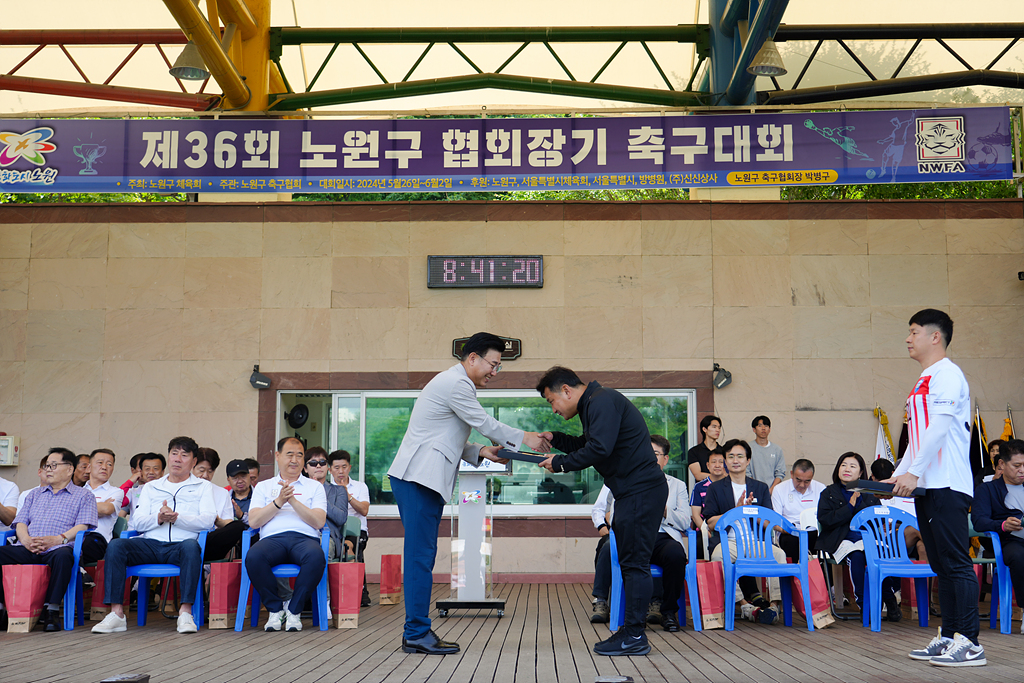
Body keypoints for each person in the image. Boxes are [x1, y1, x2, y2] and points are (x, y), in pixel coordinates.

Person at [388, 332, 550, 655]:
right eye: (493, 364)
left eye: (498, 367)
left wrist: (480, 452)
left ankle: (416, 631)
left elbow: (445, 436)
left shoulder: (453, 384)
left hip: (421, 479)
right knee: (420, 557)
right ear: (472, 358)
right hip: (418, 479)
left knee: (422, 556)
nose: (494, 371)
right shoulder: (457, 384)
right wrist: (526, 437)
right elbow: (483, 421)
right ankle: (416, 632)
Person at [536, 366, 665, 656]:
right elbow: (588, 444)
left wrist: (559, 463)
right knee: (631, 563)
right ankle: (631, 633)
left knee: (635, 565)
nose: (554, 409)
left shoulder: (602, 400)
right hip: (633, 492)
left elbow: (599, 448)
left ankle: (634, 635)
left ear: (566, 390)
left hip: (640, 491)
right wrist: (555, 438)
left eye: (551, 401)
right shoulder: (595, 402)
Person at [887, 309, 984, 667]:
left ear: (935, 336)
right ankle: (948, 637)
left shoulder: (948, 374)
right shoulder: (923, 379)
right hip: (927, 485)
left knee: (957, 564)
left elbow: (940, 427)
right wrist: (901, 473)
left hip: (947, 484)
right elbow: (917, 437)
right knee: (942, 566)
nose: (908, 339)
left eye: (913, 332)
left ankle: (970, 643)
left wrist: (915, 473)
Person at [92, 436, 214, 635]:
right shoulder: (151, 487)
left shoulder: (203, 487)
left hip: (181, 545)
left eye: (184, 455)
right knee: (117, 545)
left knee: (192, 548)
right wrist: (158, 518)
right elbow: (138, 522)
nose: (177, 459)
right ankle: (116, 614)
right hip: (150, 544)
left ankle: (185, 613)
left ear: (193, 462)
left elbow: (208, 521)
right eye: (174, 453)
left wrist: (177, 518)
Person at [0, 448, 98, 631]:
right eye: (47, 466)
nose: (48, 470)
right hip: (29, 547)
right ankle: (1, 608)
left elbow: (83, 526)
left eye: (54, 466)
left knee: (64, 557)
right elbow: (20, 523)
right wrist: (26, 540)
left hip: (58, 547)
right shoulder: (34, 494)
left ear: (69, 469)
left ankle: (51, 610)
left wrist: (58, 539)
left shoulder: (84, 496)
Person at [246, 437, 328, 632]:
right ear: (277, 456)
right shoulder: (263, 486)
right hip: (272, 540)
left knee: (316, 557)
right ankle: (275, 610)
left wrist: (293, 501)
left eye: (299, 455)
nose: (294, 460)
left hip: (305, 539)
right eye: (289, 454)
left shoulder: (315, 487)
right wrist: (279, 501)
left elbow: (319, 522)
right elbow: (254, 521)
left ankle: (294, 610)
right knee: (254, 557)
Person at [703, 439, 784, 624]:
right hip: (730, 542)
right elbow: (711, 523)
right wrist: (735, 511)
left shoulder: (760, 487)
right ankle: (744, 604)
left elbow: (767, 520)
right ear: (725, 460)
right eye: (730, 456)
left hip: (756, 541)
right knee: (718, 557)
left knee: (780, 555)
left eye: (740, 456)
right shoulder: (716, 488)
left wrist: (754, 514)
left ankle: (774, 606)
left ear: (748, 460)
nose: (735, 460)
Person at [817, 451, 900, 620]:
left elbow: (877, 519)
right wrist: (850, 506)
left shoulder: (870, 492)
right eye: (843, 465)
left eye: (853, 466)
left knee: (876, 556)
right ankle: (864, 604)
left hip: (867, 539)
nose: (847, 469)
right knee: (857, 556)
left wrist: (881, 522)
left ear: (861, 472)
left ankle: (889, 599)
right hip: (840, 539)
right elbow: (826, 520)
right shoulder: (829, 492)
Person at [971, 439, 1024, 635]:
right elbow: (979, 521)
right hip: (1009, 542)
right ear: (1001, 464)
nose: (1022, 470)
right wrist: (1001, 525)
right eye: (1017, 465)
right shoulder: (987, 489)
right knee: (1019, 557)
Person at [646, 434, 689, 632]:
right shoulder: (631, 481)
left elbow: (685, 521)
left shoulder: (678, 485)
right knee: (631, 557)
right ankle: (636, 615)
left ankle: (669, 612)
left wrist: (663, 510)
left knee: (676, 555)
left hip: (665, 536)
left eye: (655, 453)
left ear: (665, 459)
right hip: (639, 535)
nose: (650, 457)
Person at [328, 450, 371, 605]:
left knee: (348, 547)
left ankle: (353, 593)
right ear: (329, 469)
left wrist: (347, 496)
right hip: (334, 531)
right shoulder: (326, 488)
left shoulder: (360, 487)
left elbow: (364, 510)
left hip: (358, 532)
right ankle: (336, 593)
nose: (341, 471)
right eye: (336, 467)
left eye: (344, 467)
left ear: (350, 467)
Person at [870, 458, 927, 562]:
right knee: (918, 529)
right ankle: (945, 548)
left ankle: (925, 578)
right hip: (887, 539)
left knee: (922, 546)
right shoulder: (871, 494)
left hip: (908, 536)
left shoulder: (907, 491)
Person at [196, 447, 245, 563]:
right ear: (192, 467)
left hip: (210, 540)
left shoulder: (222, 493)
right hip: (186, 540)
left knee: (238, 526)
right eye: (201, 470)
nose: (205, 475)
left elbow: (228, 524)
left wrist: (218, 521)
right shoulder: (183, 489)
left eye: (210, 471)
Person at [772, 459, 825, 560]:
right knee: (791, 542)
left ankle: (821, 574)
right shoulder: (779, 489)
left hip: (813, 531)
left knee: (822, 542)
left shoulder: (820, 488)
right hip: (790, 532)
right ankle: (794, 574)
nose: (802, 485)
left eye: (807, 481)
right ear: (791, 474)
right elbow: (776, 519)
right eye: (798, 480)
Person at [307, 448, 348, 562]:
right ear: (305, 468)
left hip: (327, 537)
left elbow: (341, 519)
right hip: (302, 534)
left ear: (327, 468)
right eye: (313, 463)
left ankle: (323, 581)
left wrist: (319, 493)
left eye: (322, 462)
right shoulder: (299, 489)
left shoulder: (339, 490)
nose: (318, 466)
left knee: (323, 551)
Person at [82, 448, 121, 563]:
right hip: (73, 536)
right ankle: (81, 574)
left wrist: (77, 509)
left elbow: (107, 509)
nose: (104, 467)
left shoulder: (115, 492)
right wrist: (97, 507)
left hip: (96, 539)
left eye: (109, 464)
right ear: (89, 467)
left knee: (80, 545)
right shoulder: (78, 491)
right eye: (100, 463)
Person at [689, 447, 727, 559]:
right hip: (705, 529)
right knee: (700, 544)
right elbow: (695, 515)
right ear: (707, 465)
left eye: (721, 462)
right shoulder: (699, 487)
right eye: (714, 462)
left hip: (727, 529)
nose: (717, 465)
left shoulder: (731, 485)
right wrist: (705, 530)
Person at [588, 484, 612, 623]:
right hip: (616, 531)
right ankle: (601, 599)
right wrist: (601, 526)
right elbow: (598, 509)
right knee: (605, 546)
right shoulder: (614, 480)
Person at [122, 453, 165, 522]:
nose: (151, 472)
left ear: (162, 472)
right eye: (147, 469)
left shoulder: (169, 491)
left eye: (156, 468)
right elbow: (116, 500)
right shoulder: (134, 491)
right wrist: (130, 481)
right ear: (141, 472)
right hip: (134, 531)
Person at [748, 416, 786, 492]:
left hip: (773, 492)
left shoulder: (777, 449)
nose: (763, 428)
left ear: (770, 429)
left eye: (766, 426)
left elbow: (780, 473)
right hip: (753, 491)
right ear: (754, 429)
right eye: (760, 425)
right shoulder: (748, 448)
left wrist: (771, 490)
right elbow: (746, 473)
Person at [687, 415, 722, 481]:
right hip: (703, 489)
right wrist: (720, 477)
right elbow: (698, 475)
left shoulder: (724, 451)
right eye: (714, 427)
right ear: (704, 429)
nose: (718, 430)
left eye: (719, 427)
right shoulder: (694, 451)